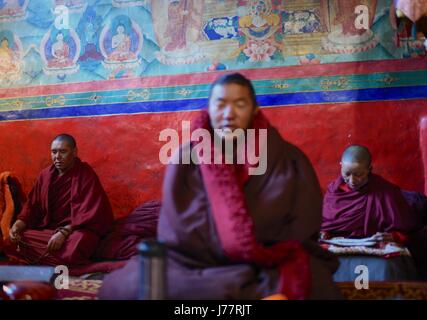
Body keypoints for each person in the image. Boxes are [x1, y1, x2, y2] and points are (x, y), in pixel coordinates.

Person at [99, 73, 341, 300]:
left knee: (314, 282)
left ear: (254, 109)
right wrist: (222, 245)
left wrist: (252, 244)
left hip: (266, 261)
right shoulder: (186, 158)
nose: (229, 114)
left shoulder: (287, 158)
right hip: (196, 264)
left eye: (240, 104)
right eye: (221, 104)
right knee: (122, 286)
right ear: (209, 108)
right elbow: (177, 230)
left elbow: (302, 226)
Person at [4, 134, 114, 268]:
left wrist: (64, 232)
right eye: (54, 152)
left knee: (76, 246)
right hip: (50, 231)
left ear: (74, 152)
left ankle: (49, 257)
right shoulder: (45, 176)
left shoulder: (85, 174)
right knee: (12, 240)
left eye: (63, 152)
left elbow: (93, 214)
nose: (57, 157)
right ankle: (57, 259)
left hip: (76, 230)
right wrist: (16, 226)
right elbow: (31, 207)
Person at [321, 145, 422, 240]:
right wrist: (325, 232)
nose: (352, 180)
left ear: (369, 169)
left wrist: (392, 236)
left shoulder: (383, 191)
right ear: (341, 166)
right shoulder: (334, 191)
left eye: (358, 175)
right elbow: (327, 222)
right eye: (347, 174)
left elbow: (402, 225)